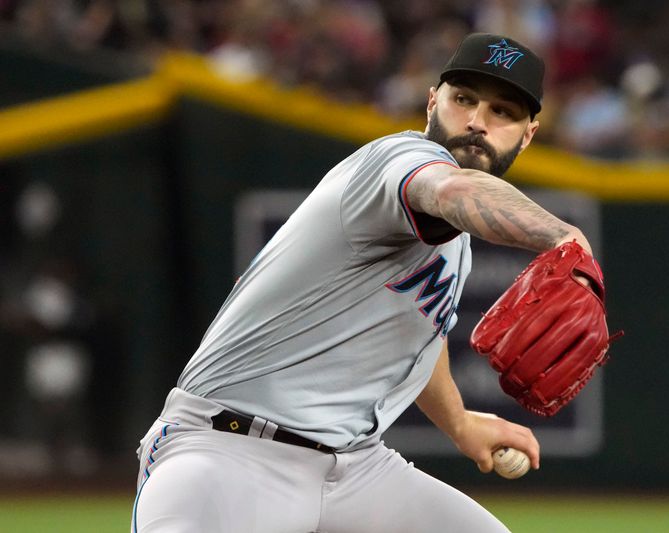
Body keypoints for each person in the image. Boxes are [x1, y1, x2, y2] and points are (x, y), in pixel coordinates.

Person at [131, 32, 593, 533]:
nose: (478, 121)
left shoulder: (453, 246)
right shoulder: (397, 159)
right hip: (229, 452)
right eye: (464, 99)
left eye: (503, 111)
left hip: (354, 468)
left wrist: (459, 422)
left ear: (527, 135)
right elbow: (454, 190)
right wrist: (566, 237)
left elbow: (417, 329)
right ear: (433, 101)